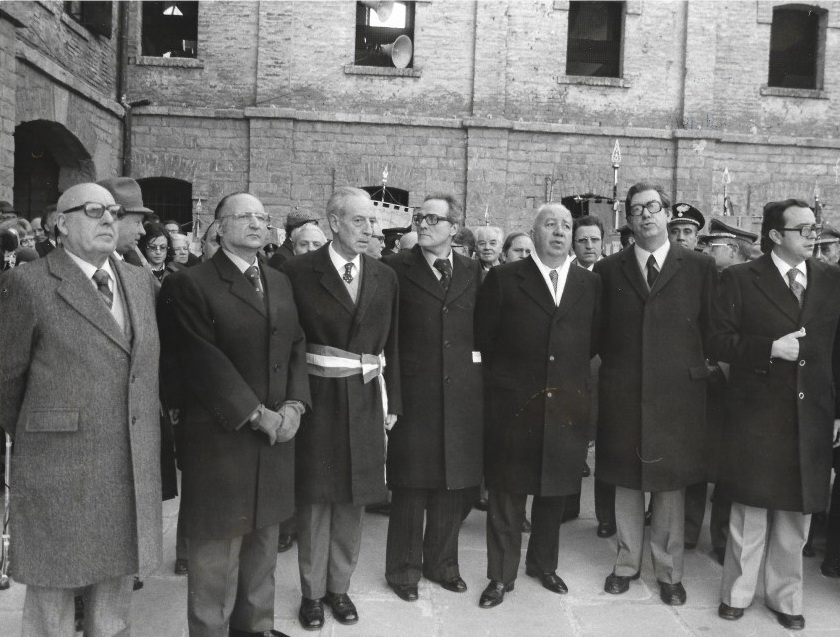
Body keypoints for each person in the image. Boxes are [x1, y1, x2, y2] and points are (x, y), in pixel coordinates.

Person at [0, 182, 162, 636]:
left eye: (114, 212)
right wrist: (41, 431)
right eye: (94, 210)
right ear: (62, 223)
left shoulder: (137, 281)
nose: (109, 219)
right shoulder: (29, 283)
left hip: (128, 463)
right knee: (53, 592)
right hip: (59, 465)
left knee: (113, 601)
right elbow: (6, 379)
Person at [159, 191, 310, 637]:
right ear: (220, 228)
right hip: (223, 438)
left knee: (263, 543)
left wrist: (296, 405)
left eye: (262, 217)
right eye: (244, 216)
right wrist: (257, 415)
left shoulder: (278, 280)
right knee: (216, 553)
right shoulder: (192, 284)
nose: (256, 223)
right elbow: (201, 361)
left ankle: (255, 628)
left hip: (277, 435)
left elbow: (296, 343)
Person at [709, 199, 840, 630]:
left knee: (796, 513)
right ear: (775, 235)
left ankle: (786, 598)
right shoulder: (740, 278)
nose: (813, 235)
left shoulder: (831, 279)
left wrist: (838, 412)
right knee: (750, 509)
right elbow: (717, 340)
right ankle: (737, 593)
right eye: (803, 229)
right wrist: (769, 349)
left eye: (815, 227)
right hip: (757, 414)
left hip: (812, 413)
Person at [282, 186, 401, 631]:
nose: (370, 229)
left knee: (354, 497)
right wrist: (294, 399)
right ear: (334, 223)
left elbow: (394, 344)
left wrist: (394, 402)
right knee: (316, 499)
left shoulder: (384, 275)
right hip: (318, 397)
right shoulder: (298, 272)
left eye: (373, 221)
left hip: (366, 397)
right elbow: (289, 343)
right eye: (359, 220)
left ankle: (339, 587)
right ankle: (312, 594)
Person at [595, 182, 717, 607]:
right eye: (636, 209)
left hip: (677, 396)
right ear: (628, 220)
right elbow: (599, 333)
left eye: (652, 207)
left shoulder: (700, 267)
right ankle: (626, 564)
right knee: (627, 481)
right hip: (625, 393)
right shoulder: (609, 270)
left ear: (667, 213)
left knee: (669, 486)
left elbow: (712, 333)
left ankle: (669, 572)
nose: (645, 215)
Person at [475, 203, 601, 609]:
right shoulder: (504, 278)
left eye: (566, 225)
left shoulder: (589, 283)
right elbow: (484, 340)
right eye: (550, 225)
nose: (560, 232)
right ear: (534, 233)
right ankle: (500, 575)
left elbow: (593, 341)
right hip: (514, 405)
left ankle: (543, 565)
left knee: (554, 492)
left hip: (565, 404)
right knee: (507, 494)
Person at [381, 194, 483, 603]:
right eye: (419, 218)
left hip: (460, 396)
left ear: (454, 228)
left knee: (450, 483)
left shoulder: (473, 270)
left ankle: (443, 565)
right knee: (410, 485)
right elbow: (389, 340)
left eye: (433, 219)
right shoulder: (395, 269)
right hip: (414, 395)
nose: (422, 225)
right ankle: (403, 570)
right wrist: (393, 399)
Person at [685, 218, 758, 565]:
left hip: (735, 385)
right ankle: (687, 531)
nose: (705, 250)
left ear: (733, 250)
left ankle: (722, 539)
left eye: (712, 246)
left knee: (729, 467)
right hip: (701, 380)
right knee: (695, 460)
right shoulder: (706, 280)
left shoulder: (752, 287)